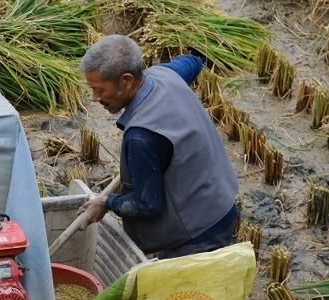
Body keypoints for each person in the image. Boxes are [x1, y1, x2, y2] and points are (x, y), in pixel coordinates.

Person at [78, 34, 241, 259]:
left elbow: (146, 205)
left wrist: (107, 202)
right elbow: (192, 62)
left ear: (126, 80)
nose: (95, 98)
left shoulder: (142, 136)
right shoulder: (166, 74)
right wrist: (202, 51)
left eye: (99, 90)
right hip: (222, 203)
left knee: (185, 294)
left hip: (197, 235)